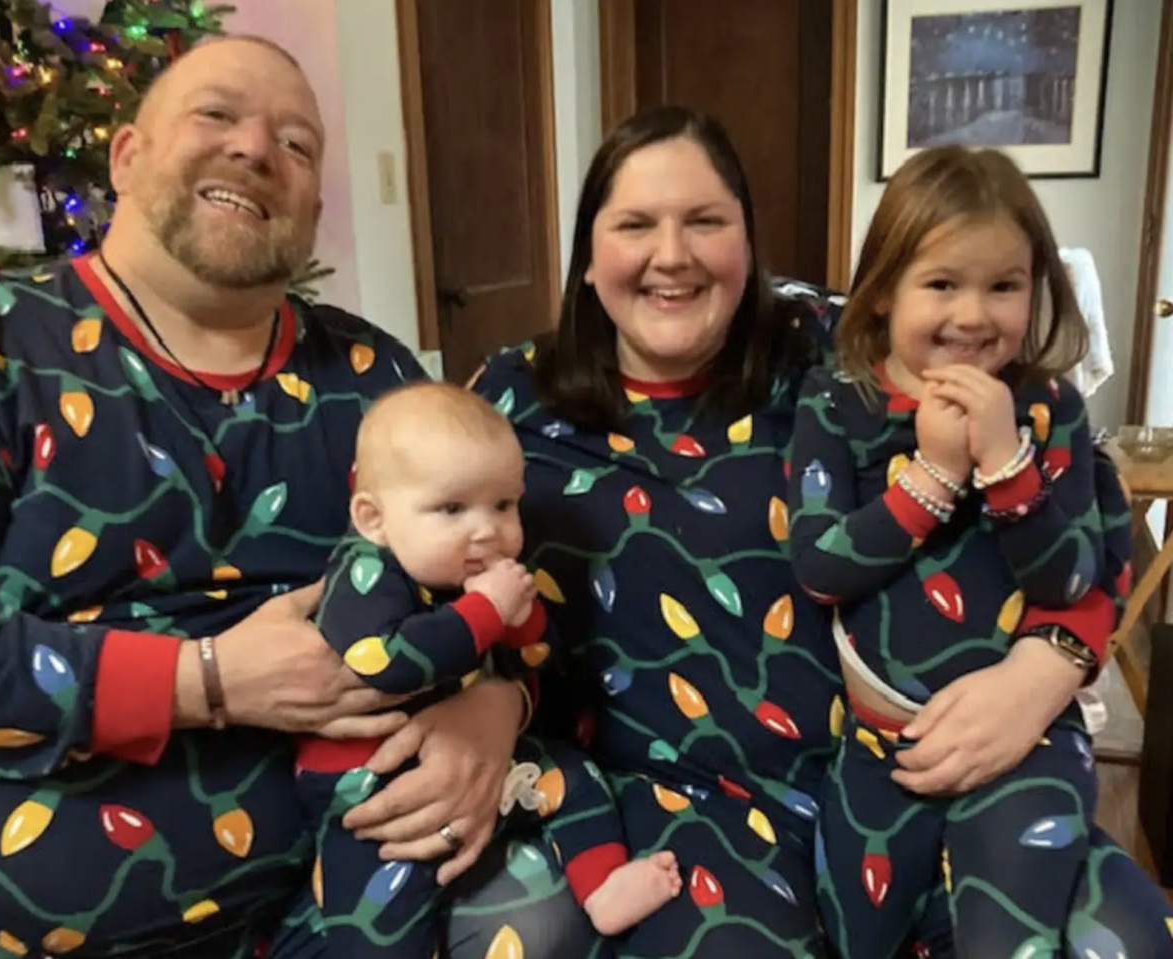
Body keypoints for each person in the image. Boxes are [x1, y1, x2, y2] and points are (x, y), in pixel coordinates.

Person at [450, 105, 1173, 958]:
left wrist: (1045, 669)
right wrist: (489, 702)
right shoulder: (509, 399)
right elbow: (426, 574)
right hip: (680, 803)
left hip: (931, 764)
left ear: (748, 243)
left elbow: (1085, 494)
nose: (672, 254)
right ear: (587, 256)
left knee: (1123, 935)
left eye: (706, 221)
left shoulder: (848, 343)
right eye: (636, 224)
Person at [0, 36, 530, 958]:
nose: (257, 150)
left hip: (355, 886)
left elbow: (505, 576)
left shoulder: (375, 378)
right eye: (216, 115)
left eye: (298, 144)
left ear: (311, 207)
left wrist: (498, 707)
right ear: (126, 155)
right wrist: (207, 683)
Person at [788, 145, 1115, 958]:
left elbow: (1071, 575)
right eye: (942, 283)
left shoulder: (1048, 408)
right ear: (884, 288)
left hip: (1029, 743)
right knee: (856, 937)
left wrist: (1007, 465)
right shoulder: (837, 402)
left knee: (1010, 937)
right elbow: (821, 567)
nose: (974, 316)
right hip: (875, 747)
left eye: (1003, 285)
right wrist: (934, 476)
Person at [298, 381, 680, 956]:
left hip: (486, 764)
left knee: (573, 778)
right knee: (379, 918)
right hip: (375, 795)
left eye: (504, 505)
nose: (488, 529)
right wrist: (486, 612)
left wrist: (522, 621)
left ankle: (602, 884)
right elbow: (383, 660)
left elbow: (537, 661)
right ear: (373, 518)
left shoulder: (474, 577)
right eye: (452, 509)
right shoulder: (366, 570)